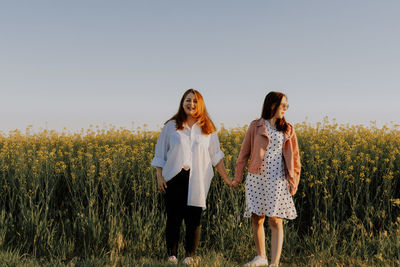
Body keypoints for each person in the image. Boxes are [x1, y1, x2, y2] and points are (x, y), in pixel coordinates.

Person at [152, 89, 232, 265]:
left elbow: (216, 156)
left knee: (194, 218)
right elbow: (160, 154)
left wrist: (227, 179)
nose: (191, 104)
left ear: (200, 104)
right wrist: (159, 177)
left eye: (195, 101)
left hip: (198, 178)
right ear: (182, 102)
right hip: (174, 177)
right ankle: (172, 255)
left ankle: (190, 255)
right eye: (188, 100)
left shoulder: (208, 128)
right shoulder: (171, 126)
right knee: (173, 218)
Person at [231, 91, 301, 267]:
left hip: (278, 179)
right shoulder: (255, 126)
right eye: (283, 105)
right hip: (256, 178)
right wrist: (237, 178)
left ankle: (274, 263)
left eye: (286, 105)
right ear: (272, 105)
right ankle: (261, 257)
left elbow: (295, 159)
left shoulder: (288, 129)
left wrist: (294, 180)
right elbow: (243, 154)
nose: (285, 108)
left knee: (276, 219)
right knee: (257, 217)